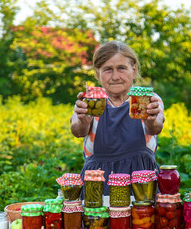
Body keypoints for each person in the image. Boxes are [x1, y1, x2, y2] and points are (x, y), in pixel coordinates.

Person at [70, 40, 165, 195]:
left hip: (142, 187)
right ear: (97, 74)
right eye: (108, 69)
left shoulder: (147, 99)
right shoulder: (92, 100)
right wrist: (82, 120)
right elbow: (77, 129)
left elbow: (156, 126)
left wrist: (152, 119)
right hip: (97, 187)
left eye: (121, 68)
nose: (115, 76)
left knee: (144, 219)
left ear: (133, 71)